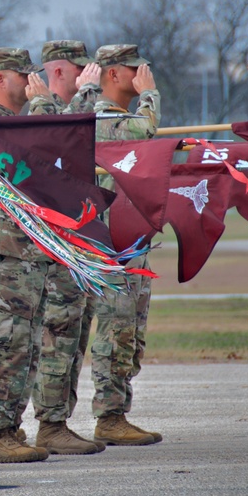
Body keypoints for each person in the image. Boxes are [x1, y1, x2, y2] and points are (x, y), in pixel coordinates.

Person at [0, 48, 52, 464]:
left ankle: (9, 427)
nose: (32, 83)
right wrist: (43, 109)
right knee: (4, 347)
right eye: (24, 76)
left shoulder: (17, 124)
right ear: (0, 80)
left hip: (27, 253)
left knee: (24, 347)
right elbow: (44, 153)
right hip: (4, 253)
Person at [24, 41, 106, 455]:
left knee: (72, 336)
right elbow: (64, 148)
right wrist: (89, 97)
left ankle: (59, 419)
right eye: (80, 71)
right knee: (56, 334)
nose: (88, 77)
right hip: (52, 247)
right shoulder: (36, 117)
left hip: (75, 243)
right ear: (58, 73)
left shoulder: (66, 115)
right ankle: (50, 423)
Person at [83, 44, 163, 446]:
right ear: (113, 75)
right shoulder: (101, 119)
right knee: (115, 330)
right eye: (135, 69)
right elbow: (144, 132)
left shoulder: (121, 118)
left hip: (131, 241)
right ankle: (109, 415)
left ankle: (119, 410)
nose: (143, 73)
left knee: (131, 331)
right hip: (110, 246)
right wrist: (151, 96)